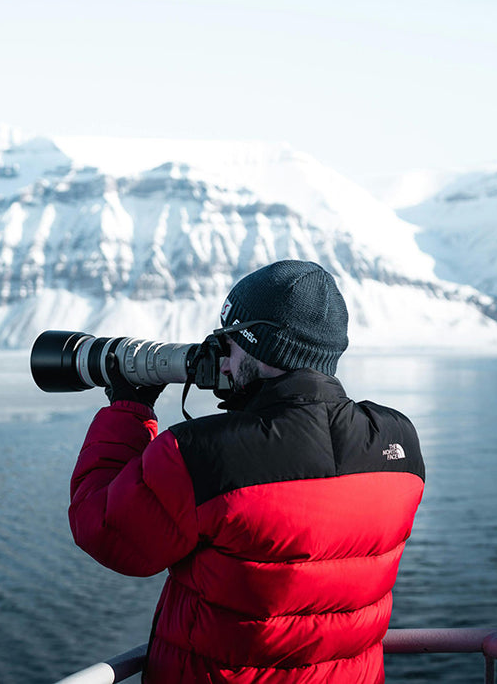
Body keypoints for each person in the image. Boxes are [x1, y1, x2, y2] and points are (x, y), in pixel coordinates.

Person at [69, 260, 425, 683]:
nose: (222, 361)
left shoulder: (201, 453)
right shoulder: (398, 442)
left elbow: (105, 529)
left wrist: (130, 407)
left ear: (259, 344)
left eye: (230, 342)